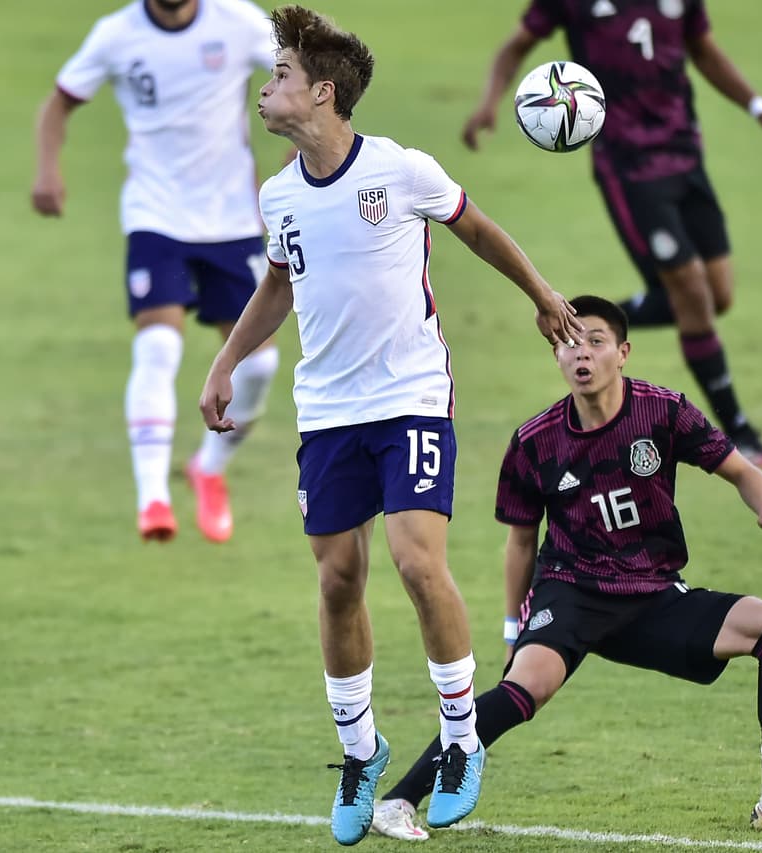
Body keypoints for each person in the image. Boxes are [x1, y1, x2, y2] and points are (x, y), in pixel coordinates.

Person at [196, 5, 587, 846]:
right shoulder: (279, 194)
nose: (266, 91)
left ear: (323, 93)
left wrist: (545, 294)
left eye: (282, 78)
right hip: (328, 409)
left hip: (409, 395)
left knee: (416, 560)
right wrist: (226, 360)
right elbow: (280, 283)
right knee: (339, 578)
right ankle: (361, 751)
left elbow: (476, 228)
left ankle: (459, 739)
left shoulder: (400, 170)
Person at [370, 295, 762, 842]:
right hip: (571, 592)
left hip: (653, 594)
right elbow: (520, 543)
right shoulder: (534, 441)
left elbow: (741, 470)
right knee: (526, 688)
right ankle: (398, 801)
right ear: (557, 357)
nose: (581, 353)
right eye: (569, 342)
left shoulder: (662, 411)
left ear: (623, 352)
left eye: (595, 341)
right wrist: (511, 626)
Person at [461, 0, 762, 468]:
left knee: (717, 296)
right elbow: (516, 46)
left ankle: (573, 319)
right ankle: (738, 429)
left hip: (685, 154)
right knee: (693, 298)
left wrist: (760, 110)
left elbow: (703, 49)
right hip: (630, 168)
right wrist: (488, 105)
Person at [32, 0, 282, 544]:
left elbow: (304, 69)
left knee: (260, 368)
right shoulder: (116, 34)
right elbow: (58, 103)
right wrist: (48, 172)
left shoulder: (237, 22)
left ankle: (207, 469)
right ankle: (153, 499)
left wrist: (302, 147)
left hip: (232, 218)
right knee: (158, 350)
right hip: (155, 215)